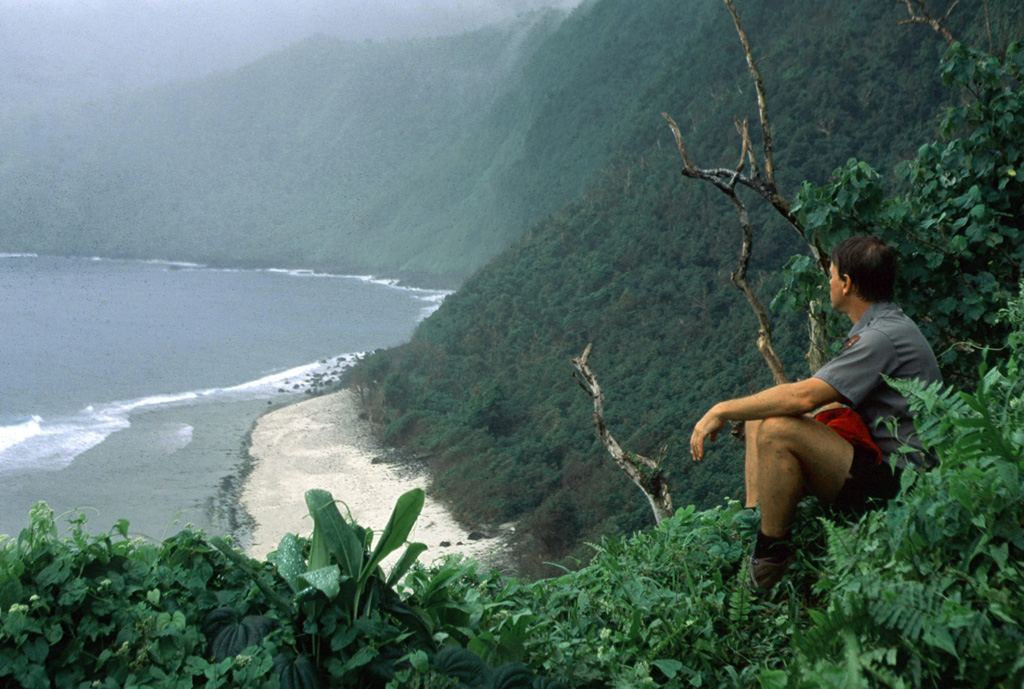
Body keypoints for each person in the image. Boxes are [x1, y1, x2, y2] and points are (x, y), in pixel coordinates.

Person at [689, 235, 941, 590]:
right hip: (880, 458)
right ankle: (753, 523)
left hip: (903, 482)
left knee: (777, 429)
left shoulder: (879, 338)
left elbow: (803, 398)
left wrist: (721, 409)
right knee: (761, 417)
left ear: (847, 284)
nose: (829, 283)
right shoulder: (882, 326)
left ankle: (769, 561)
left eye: (832, 274)